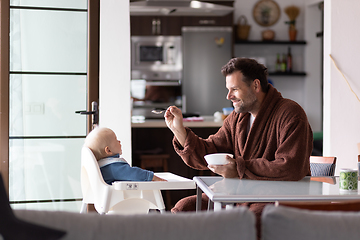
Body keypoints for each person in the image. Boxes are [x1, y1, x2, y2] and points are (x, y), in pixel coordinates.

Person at [164, 57, 313, 238]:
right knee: (184, 208)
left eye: (234, 89)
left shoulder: (290, 114)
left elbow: (291, 167)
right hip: (237, 196)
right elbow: (210, 150)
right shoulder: (237, 118)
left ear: (256, 86)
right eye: (228, 90)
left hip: (274, 198)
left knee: (251, 221)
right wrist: (179, 130)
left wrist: (239, 168)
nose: (229, 96)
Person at [84, 127, 166, 184]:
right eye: (116, 140)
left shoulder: (103, 166)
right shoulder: (113, 167)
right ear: (108, 150)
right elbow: (133, 173)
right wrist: (151, 176)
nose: (119, 141)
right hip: (119, 201)